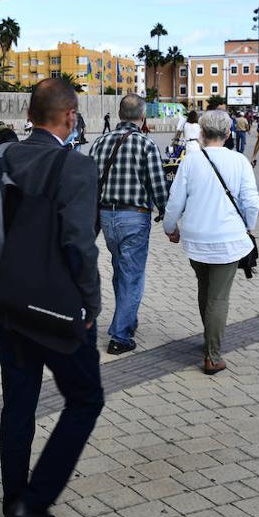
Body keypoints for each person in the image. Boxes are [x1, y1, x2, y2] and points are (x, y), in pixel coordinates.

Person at [0, 77, 103, 517]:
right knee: (86, 398)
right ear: (70, 116)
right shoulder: (77, 166)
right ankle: (34, 502)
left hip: (5, 303)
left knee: (19, 404)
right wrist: (92, 303)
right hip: (55, 307)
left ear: (31, 115)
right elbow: (79, 244)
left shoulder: (2, 157)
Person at [163, 110, 259, 374]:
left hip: (196, 238)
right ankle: (213, 356)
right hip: (227, 239)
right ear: (229, 134)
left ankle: (209, 339)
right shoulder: (239, 161)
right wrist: (249, 228)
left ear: (202, 134)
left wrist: (169, 228)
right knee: (218, 297)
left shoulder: (191, 161)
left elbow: (175, 201)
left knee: (204, 289)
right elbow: (251, 202)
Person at [88, 94, 166, 356]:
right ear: (142, 116)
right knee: (131, 274)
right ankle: (120, 336)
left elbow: (90, 181)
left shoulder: (100, 143)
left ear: (119, 114)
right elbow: (158, 185)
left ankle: (128, 321)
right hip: (134, 217)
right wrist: (168, 216)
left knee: (121, 270)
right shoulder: (146, 144)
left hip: (106, 217)